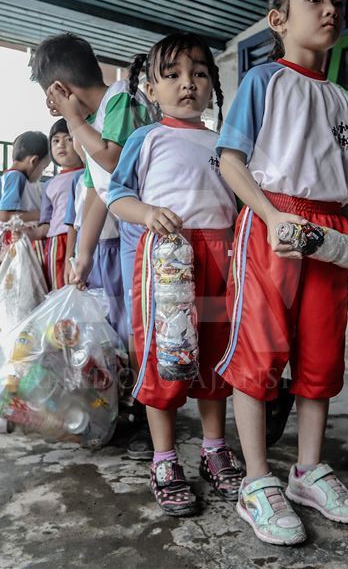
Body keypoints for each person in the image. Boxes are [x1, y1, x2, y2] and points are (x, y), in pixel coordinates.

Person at [215, 0, 348, 545]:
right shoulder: (263, 82)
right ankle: (257, 480)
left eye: (337, 0)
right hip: (271, 226)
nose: (331, 8)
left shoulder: (343, 101)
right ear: (279, 18)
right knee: (258, 350)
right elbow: (231, 161)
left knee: (321, 354)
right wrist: (272, 213)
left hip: (329, 232)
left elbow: (346, 179)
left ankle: (308, 471)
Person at [108, 33, 244, 516]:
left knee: (213, 352)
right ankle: (165, 459)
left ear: (212, 85)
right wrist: (145, 213)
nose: (188, 83)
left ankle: (213, 449)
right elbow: (116, 196)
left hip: (220, 263)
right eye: (173, 75)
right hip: (167, 267)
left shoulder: (225, 143)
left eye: (199, 73)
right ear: (151, 87)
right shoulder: (146, 138)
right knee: (164, 356)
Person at [31, 32, 157, 459]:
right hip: (110, 243)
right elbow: (96, 190)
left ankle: (146, 415)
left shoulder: (121, 101)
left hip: (141, 239)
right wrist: (81, 255)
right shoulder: (95, 123)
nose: (52, 109)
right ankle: (125, 408)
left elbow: (111, 159)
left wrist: (71, 119)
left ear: (61, 89)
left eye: (52, 98)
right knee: (117, 332)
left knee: (138, 331)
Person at [0, 131, 50, 272]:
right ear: (33, 161)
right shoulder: (17, 177)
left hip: (6, 244)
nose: (41, 173)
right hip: (20, 243)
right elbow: (4, 215)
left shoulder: (1, 180)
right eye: (43, 168)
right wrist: (38, 215)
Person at [38, 119, 84, 289]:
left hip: (81, 239)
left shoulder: (87, 174)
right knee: (57, 288)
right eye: (56, 141)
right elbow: (45, 223)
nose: (61, 145)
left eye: (69, 139)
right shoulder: (49, 184)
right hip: (55, 244)